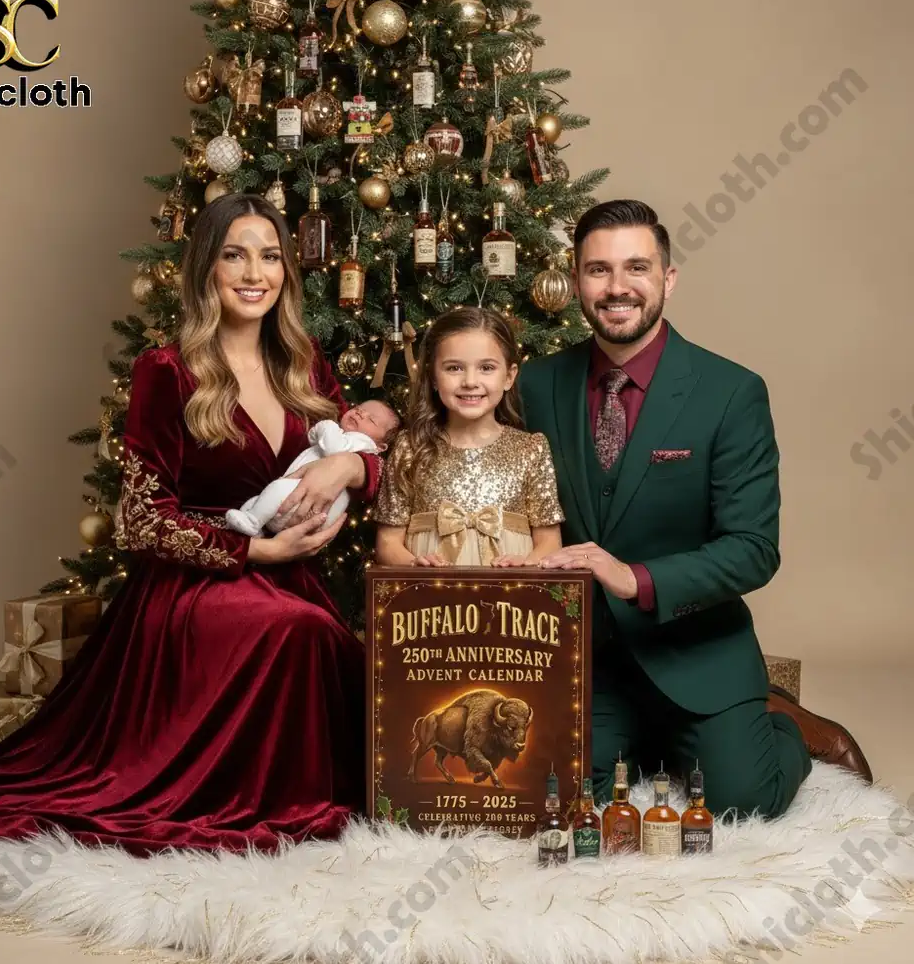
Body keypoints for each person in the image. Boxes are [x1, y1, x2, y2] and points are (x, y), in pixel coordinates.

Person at [0, 193, 382, 869]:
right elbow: (141, 520)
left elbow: (374, 462)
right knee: (296, 632)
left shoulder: (304, 364)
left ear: (287, 270)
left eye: (270, 256)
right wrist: (255, 548)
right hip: (195, 585)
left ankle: (289, 798)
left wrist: (348, 465)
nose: (255, 273)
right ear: (207, 268)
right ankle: (262, 808)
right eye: (235, 255)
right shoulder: (168, 371)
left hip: (291, 579)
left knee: (336, 649)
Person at [519, 198, 873, 817]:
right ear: (576, 281)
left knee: (742, 802)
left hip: (697, 654)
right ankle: (646, 745)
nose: (617, 287)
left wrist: (634, 579)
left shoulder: (731, 392)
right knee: (554, 802)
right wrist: (367, 445)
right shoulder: (534, 384)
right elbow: (462, 443)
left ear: (668, 278)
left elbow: (753, 550)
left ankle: (787, 724)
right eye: (598, 269)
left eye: (637, 267)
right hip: (589, 664)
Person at [374, 306, 564, 568]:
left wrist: (526, 565)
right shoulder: (410, 446)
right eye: (454, 368)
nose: (470, 381)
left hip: (511, 591)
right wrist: (415, 565)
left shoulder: (531, 449)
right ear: (433, 377)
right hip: (429, 592)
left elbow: (550, 542)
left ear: (509, 377)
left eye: (486, 367)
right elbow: (387, 542)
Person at [226, 400, 399, 537]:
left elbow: (334, 449)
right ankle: (253, 526)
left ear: (380, 447)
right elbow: (314, 438)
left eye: (371, 419)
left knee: (276, 489)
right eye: (358, 408)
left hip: (302, 503)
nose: (360, 414)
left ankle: (253, 520)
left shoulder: (361, 442)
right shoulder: (343, 437)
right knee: (258, 500)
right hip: (301, 507)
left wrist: (327, 425)